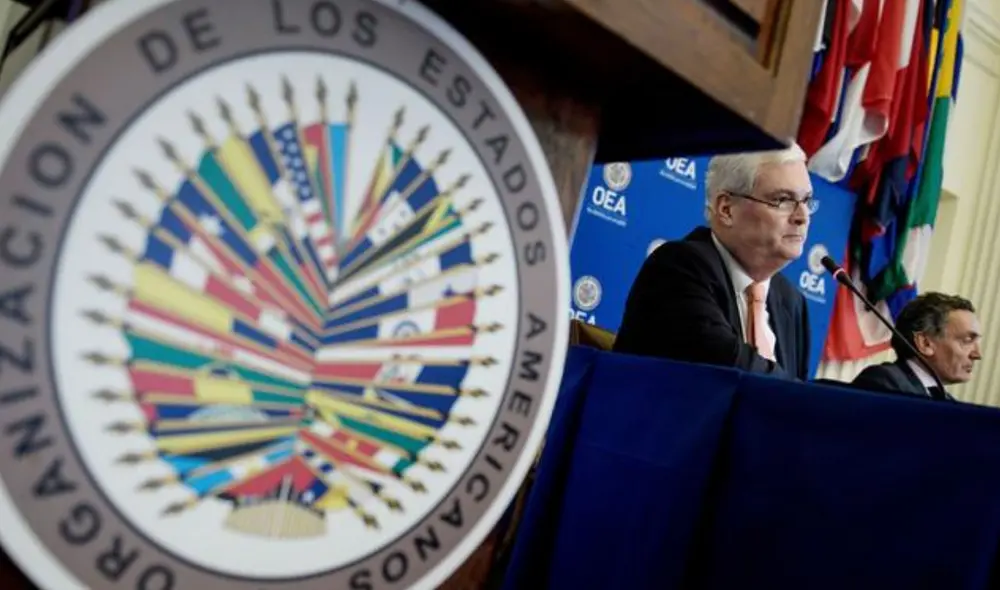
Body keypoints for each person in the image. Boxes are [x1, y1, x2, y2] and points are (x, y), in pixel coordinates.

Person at [612, 143, 814, 380]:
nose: (802, 217)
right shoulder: (677, 269)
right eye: (782, 200)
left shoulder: (791, 302)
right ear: (726, 209)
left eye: (806, 201)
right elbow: (736, 372)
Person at [852, 293, 982, 400]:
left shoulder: (948, 401)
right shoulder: (884, 381)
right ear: (925, 343)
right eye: (967, 340)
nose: (977, 354)